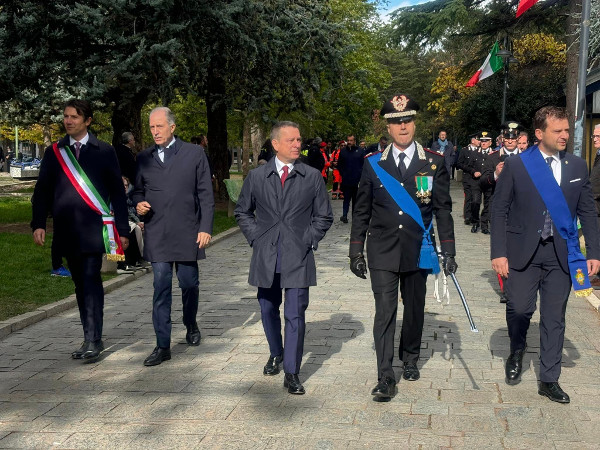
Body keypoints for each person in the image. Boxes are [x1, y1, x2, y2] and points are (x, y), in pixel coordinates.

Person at [348, 94, 457, 402]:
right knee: (385, 311)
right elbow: (361, 210)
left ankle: (410, 356)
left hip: (417, 248)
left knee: (414, 308)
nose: (403, 126)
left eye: (407, 120)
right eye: (397, 122)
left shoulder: (433, 162)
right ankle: (385, 375)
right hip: (382, 249)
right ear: (388, 127)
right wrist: (356, 250)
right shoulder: (373, 164)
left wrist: (448, 250)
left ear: (414, 123)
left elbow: (442, 209)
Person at [491, 106, 600, 403]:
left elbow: (588, 211)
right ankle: (517, 349)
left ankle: (550, 379)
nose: (565, 135)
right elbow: (499, 209)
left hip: (561, 253)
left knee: (554, 317)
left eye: (567, 130)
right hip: (522, 251)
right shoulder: (518, 165)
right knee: (519, 309)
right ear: (539, 133)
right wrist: (498, 252)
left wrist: (594, 251)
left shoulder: (577, 166)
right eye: (558, 131)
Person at [235, 121, 333, 395]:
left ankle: (292, 371)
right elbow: (242, 211)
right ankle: (276, 352)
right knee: (267, 308)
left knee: (295, 313)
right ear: (275, 144)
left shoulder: (311, 176)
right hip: (266, 254)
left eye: (299, 140)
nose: (297, 144)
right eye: (291, 140)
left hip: (298, 255)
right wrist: (256, 236)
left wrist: (309, 238)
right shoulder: (257, 176)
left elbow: (324, 215)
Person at [31, 99, 129, 361]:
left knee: (91, 280)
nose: (68, 121)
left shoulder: (104, 151)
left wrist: (122, 230)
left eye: (74, 116)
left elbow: (117, 193)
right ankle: (89, 336)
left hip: (95, 230)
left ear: (88, 121)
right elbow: (42, 190)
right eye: (66, 116)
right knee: (79, 284)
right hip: (67, 231)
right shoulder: (55, 152)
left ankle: (93, 339)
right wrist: (38, 223)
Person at [132, 107, 214, 366]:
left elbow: (206, 194)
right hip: (157, 232)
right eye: (152, 127)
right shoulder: (143, 158)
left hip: (188, 231)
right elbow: (136, 191)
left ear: (172, 127)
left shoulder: (194, 153)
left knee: (189, 283)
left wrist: (205, 227)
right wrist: (138, 203)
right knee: (161, 285)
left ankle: (190, 323)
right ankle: (162, 345)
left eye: (160, 126)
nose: (155, 131)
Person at [480, 122, 522, 302]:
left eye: (513, 138)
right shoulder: (493, 157)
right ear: (502, 139)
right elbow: (482, 182)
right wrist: (495, 174)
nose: (510, 141)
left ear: (518, 139)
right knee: (502, 247)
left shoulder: (527, 157)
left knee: (518, 248)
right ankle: (506, 288)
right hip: (500, 209)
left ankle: (518, 282)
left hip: (521, 209)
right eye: (507, 138)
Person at [468, 130, 493, 233]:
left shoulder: (494, 154)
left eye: (486, 141)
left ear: (490, 142)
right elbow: (468, 166)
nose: (483, 143)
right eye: (482, 141)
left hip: (488, 182)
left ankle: (484, 225)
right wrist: (473, 172)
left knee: (488, 204)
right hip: (476, 182)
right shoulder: (474, 153)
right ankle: (475, 222)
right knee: (475, 202)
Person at [337, 135, 366, 223]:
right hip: (346, 180)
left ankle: (355, 216)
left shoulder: (360, 151)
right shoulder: (343, 151)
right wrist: (343, 174)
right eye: (348, 140)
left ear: (354, 141)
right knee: (346, 199)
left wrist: (360, 175)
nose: (349, 142)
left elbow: (364, 164)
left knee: (355, 200)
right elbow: (340, 164)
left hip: (357, 180)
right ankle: (344, 215)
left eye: (351, 140)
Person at [456, 133, 480, 225]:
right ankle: (467, 216)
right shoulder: (464, 150)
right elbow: (459, 163)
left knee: (476, 198)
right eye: (478, 140)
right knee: (468, 197)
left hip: (477, 178)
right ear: (473, 141)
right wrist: (470, 170)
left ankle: (475, 216)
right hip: (468, 177)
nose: (480, 142)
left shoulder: (480, 150)